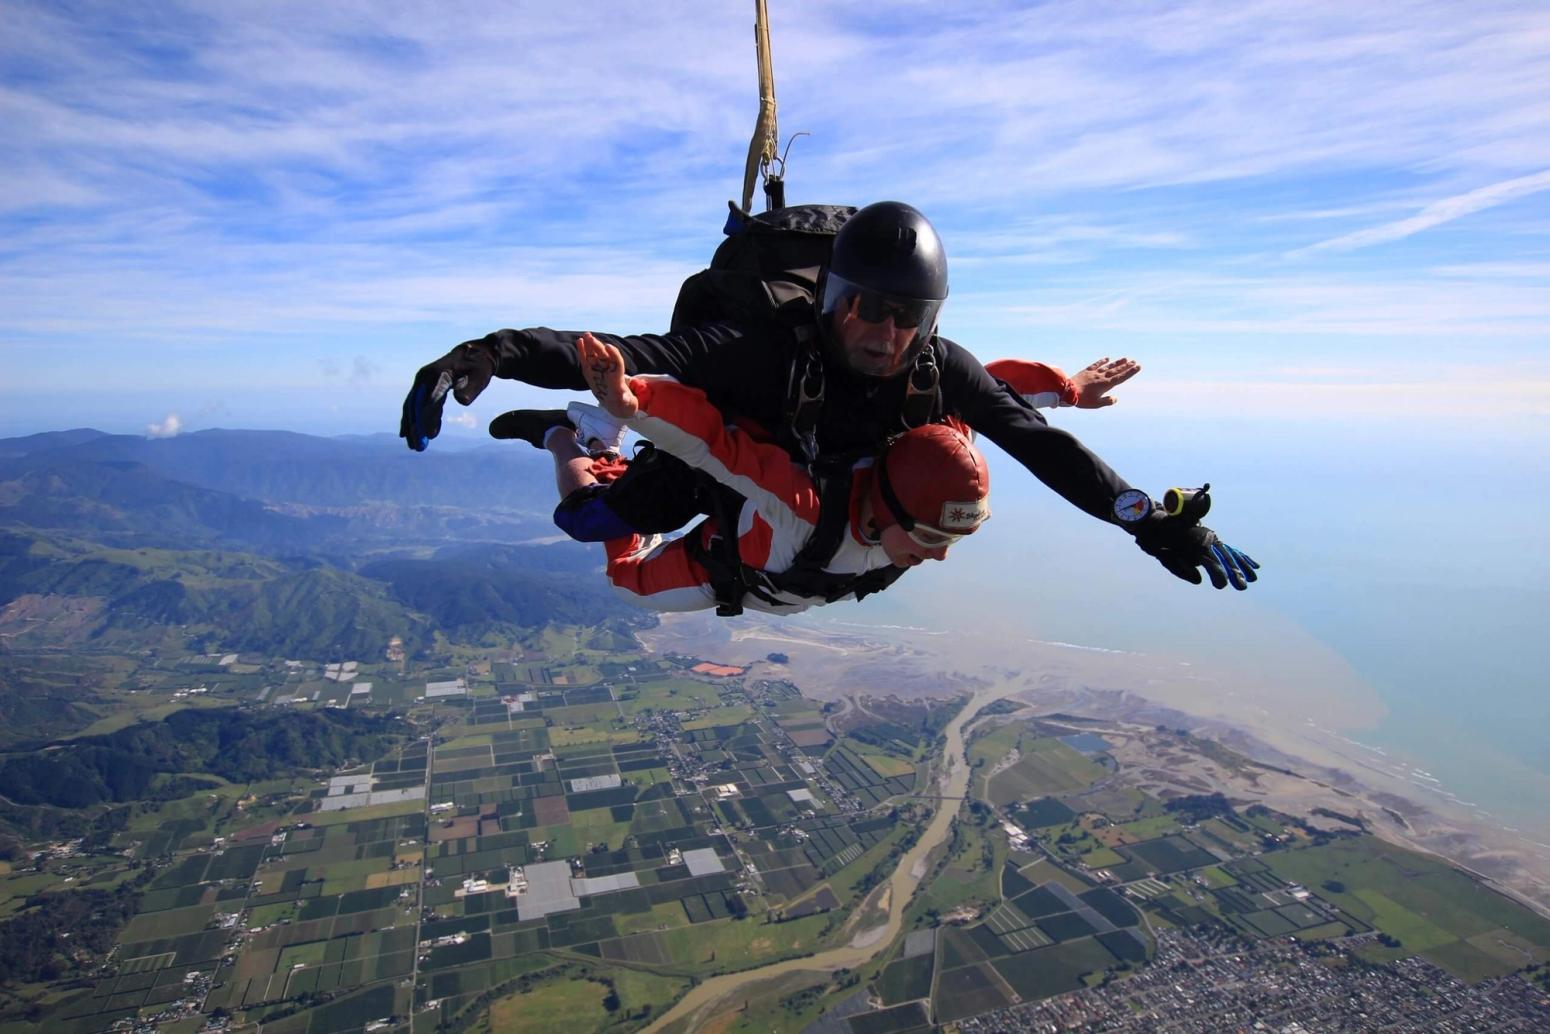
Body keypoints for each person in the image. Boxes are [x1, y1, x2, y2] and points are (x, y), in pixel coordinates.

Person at [401, 202, 1257, 590]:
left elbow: (1031, 437)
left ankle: (582, 435)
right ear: (831, 298)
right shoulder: (759, 352)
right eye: (864, 309)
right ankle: (567, 441)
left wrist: (1142, 518)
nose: (883, 334)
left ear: (929, 321)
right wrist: (486, 354)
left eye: (906, 317)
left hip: (813, 485)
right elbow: (621, 351)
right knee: (592, 522)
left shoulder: (938, 367)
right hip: (722, 457)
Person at [539, 334, 989, 615]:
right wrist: (634, 404)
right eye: (933, 537)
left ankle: (601, 436)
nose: (941, 556)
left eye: (950, 539)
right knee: (616, 567)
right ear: (891, 507)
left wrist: (1061, 389)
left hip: (774, 571)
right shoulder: (806, 508)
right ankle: (573, 438)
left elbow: (990, 389)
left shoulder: (935, 466)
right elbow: (716, 446)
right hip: (727, 566)